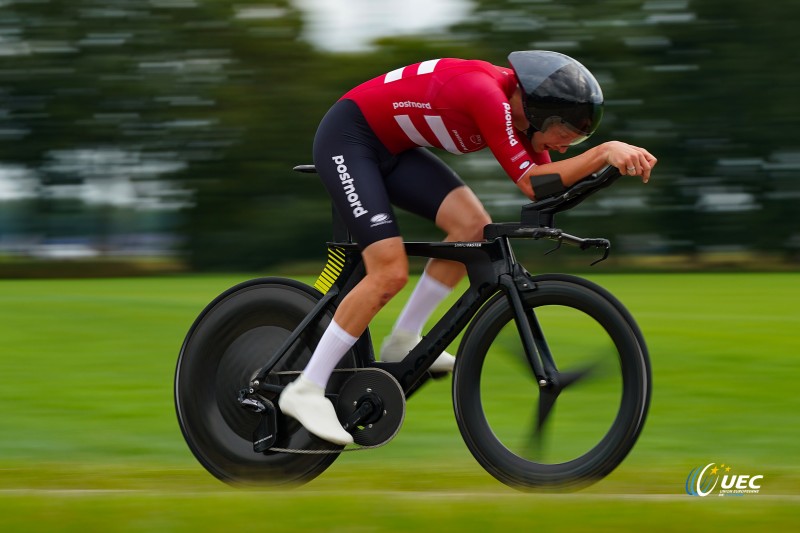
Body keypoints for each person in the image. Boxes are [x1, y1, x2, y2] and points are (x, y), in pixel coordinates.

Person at [279, 50, 657, 445]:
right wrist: (603, 152)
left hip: (392, 150)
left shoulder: (522, 113)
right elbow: (533, 183)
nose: (565, 149)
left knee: (473, 228)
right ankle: (305, 389)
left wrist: (606, 170)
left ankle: (403, 339)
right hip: (349, 139)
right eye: (566, 138)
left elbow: (548, 186)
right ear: (542, 113)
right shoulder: (486, 94)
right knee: (388, 272)